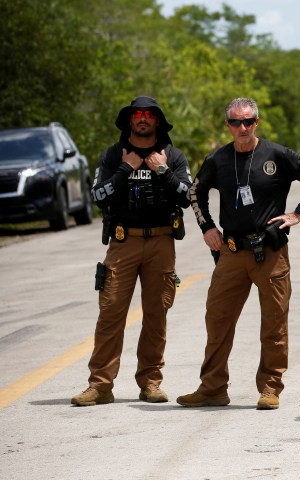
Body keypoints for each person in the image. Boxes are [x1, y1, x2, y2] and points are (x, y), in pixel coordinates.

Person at [177, 97, 300, 409]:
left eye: (248, 121)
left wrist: (299, 213)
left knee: (274, 322)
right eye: (236, 122)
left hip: (270, 252)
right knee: (217, 319)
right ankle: (212, 388)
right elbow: (195, 191)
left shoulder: (277, 154)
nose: (242, 127)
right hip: (232, 252)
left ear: (256, 122)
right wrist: (207, 227)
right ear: (228, 125)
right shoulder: (218, 159)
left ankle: (270, 388)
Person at [72, 96, 193, 406]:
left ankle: (151, 382)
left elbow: (187, 197)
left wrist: (163, 170)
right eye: (137, 114)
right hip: (123, 243)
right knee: (110, 313)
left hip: (161, 243)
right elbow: (99, 196)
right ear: (129, 120)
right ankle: (100, 385)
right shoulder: (113, 156)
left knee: (156, 315)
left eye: (148, 114)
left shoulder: (173, 156)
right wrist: (126, 169)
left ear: (157, 121)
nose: (142, 119)